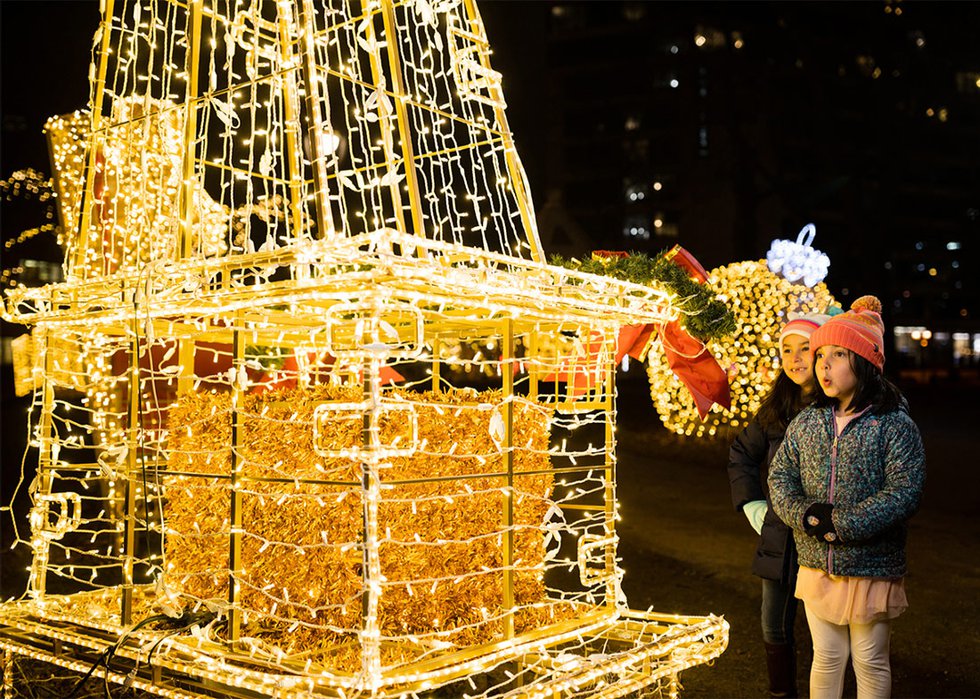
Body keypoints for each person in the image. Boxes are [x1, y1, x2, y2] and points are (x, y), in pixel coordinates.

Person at [768, 295, 926, 699]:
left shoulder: (893, 424)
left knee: (870, 661)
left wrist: (844, 522)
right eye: (821, 354)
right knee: (826, 657)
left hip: (870, 566)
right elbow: (780, 477)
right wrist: (805, 516)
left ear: (866, 362)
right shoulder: (807, 422)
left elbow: (905, 489)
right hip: (818, 564)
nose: (823, 364)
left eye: (839, 354)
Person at [728, 310, 831, 698]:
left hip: (819, 538)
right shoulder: (774, 410)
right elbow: (741, 454)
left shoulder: (835, 405)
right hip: (777, 537)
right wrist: (752, 504)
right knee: (774, 626)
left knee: (828, 635)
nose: (796, 358)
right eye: (787, 350)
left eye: (805, 348)